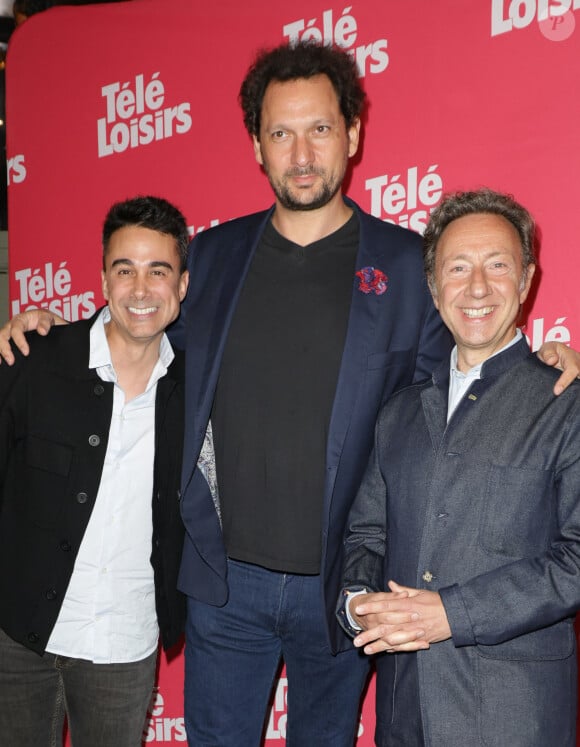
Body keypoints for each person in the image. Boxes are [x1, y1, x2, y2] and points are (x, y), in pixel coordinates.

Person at [1, 43, 579, 746]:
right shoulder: (210, 258)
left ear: (354, 134)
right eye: (281, 133)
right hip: (225, 586)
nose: (302, 153)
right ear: (257, 146)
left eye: (320, 129)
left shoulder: (407, 267)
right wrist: (53, 331)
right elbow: (137, 321)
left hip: (340, 589)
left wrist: (540, 356)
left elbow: (465, 372)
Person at [338, 189, 580, 746]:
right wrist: (358, 603)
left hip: (516, 718)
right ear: (433, 287)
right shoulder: (398, 413)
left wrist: (453, 613)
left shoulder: (566, 402)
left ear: (526, 281)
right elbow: (366, 535)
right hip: (405, 713)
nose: (476, 288)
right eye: (458, 268)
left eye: (497, 266)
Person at [0, 195, 189, 746]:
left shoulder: (195, 391)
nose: (140, 289)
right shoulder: (34, 361)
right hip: (18, 639)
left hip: (124, 648)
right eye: (124, 269)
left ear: (181, 286)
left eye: (159, 271)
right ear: (103, 280)